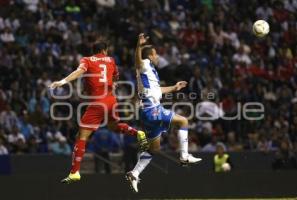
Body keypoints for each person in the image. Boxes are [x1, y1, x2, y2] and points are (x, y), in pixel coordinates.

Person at [49, 41, 148, 184]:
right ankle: (138, 133)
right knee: (114, 126)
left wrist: (62, 81)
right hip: (111, 100)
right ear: (105, 50)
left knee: (81, 136)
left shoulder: (87, 60)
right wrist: (110, 84)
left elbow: (79, 72)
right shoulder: (111, 60)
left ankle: (74, 172)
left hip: (97, 102)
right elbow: (115, 78)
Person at [125, 34, 202, 193]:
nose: (158, 56)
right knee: (183, 121)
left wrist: (174, 87)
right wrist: (139, 46)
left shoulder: (151, 72)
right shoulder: (145, 63)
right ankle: (184, 156)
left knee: (154, 148)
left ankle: (135, 173)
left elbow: (157, 90)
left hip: (147, 111)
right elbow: (137, 62)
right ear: (150, 56)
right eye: (156, 53)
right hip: (151, 108)